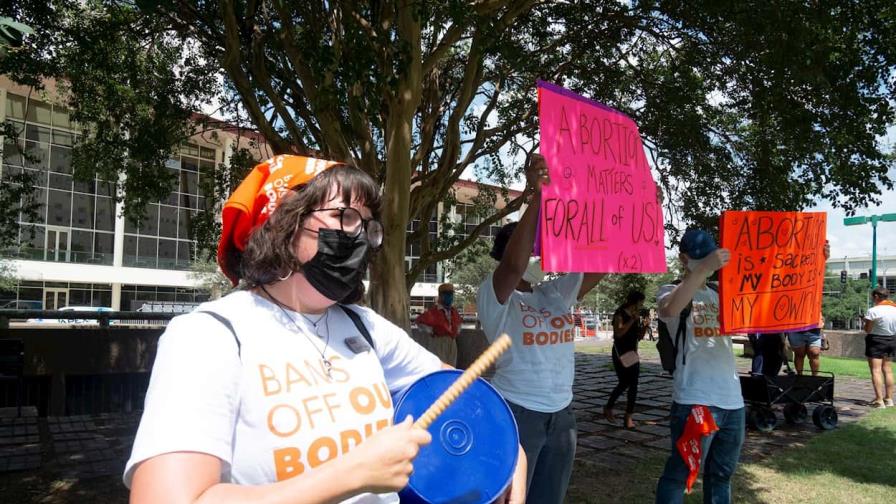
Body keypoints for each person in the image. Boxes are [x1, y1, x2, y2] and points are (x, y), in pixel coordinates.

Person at [124, 155, 526, 503]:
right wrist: (351, 474)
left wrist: (507, 447)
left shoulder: (364, 326)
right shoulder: (210, 336)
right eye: (342, 217)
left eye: (366, 225)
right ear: (283, 219)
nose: (358, 237)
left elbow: (456, 389)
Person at [477, 153, 605, 504]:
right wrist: (539, 195)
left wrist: (638, 212)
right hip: (517, 413)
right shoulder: (494, 294)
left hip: (561, 416)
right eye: (534, 248)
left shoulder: (553, 294)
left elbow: (603, 262)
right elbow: (514, 265)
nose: (539, 256)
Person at [654, 228, 744, 504]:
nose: (710, 262)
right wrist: (702, 270)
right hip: (695, 400)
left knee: (722, 475)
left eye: (711, 256)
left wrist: (815, 263)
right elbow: (670, 309)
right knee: (679, 474)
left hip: (733, 401)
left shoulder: (721, 293)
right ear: (684, 259)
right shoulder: (670, 291)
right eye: (701, 257)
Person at [603, 291, 647, 429]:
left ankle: (628, 416)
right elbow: (619, 333)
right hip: (620, 353)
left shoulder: (636, 316)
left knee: (633, 384)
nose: (641, 306)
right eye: (640, 303)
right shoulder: (620, 314)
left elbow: (638, 336)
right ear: (633, 302)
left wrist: (645, 326)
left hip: (632, 353)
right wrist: (632, 320)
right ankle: (609, 407)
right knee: (624, 383)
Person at [862, 286, 896, 408]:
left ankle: (879, 400)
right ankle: (889, 399)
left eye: (873, 297)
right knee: (888, 370)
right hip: (891, 339)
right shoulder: (894, 308)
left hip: (876, 340)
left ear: (876, 296)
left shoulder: (873, 310)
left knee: (876, 370)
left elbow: (867, 329)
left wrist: (864, 323)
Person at [415, 283, 462, 367]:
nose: (449, 296)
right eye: (446, 294)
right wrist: (432, 331)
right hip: (439, 341)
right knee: (440, 367)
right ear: (440, 295)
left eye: (451, 294)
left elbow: (458, 324)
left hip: (452, 342)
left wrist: (456, 330)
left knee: (451, 367)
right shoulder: (433, 312)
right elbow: (420, 322)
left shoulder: (453, 311)